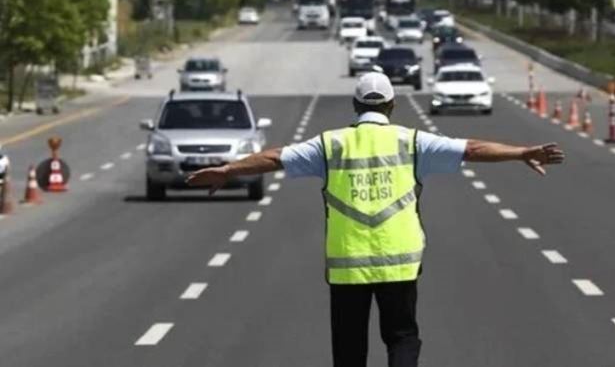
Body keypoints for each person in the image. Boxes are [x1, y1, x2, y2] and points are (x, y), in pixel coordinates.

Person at [187, 72, 565, 367]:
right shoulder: (413, 141)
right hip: (399, 263)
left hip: (347, 266)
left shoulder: (330, 144)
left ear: (354, 105)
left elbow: (274, 157)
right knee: (402, 338)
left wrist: (228, 170)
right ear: (392, 105)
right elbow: (473, 149)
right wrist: (521, 152)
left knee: (349, 348)